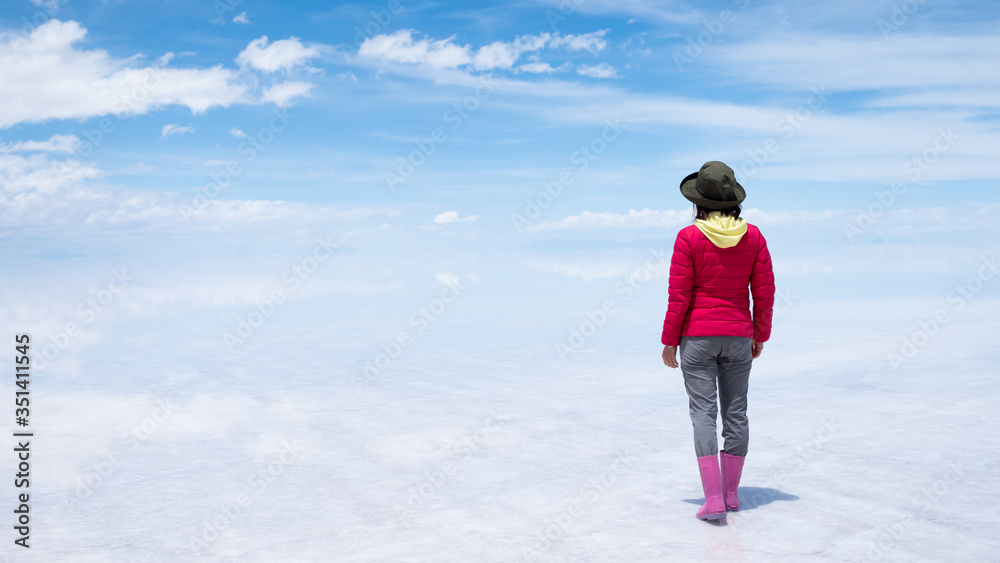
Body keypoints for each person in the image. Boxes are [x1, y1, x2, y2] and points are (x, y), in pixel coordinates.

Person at [660, 161, 775, 521]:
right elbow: (765, 291)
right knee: (736, 413)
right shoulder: (754, 236)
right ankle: (731, 495)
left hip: (697, 338)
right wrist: (760, 333)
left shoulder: (688, 237)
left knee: (704, 415)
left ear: (699, 202)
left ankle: (712, 499)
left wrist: (669, 340)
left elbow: (679, 295)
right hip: (739, 336)